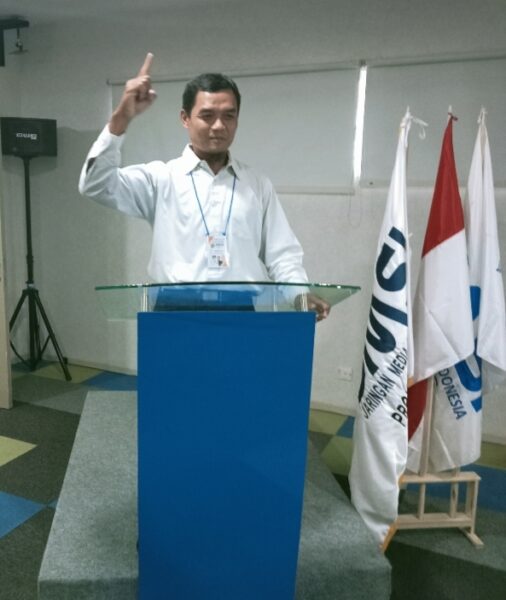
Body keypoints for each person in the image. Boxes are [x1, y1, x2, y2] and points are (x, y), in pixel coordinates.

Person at [79, 53, 329, 320]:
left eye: (229, 116)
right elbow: (95, 184)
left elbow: (282, 254)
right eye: (207, 116)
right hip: (173, 312)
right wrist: (122, 117)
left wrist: (299, 295)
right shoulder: (161, 178)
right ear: (185, 118)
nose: (219, 126)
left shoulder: (257, 185)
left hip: (241, 312)